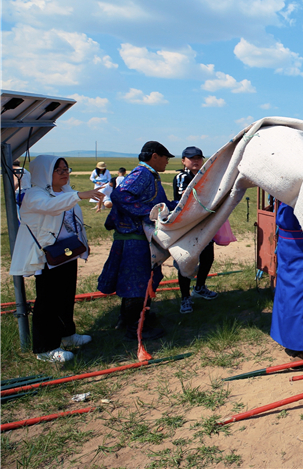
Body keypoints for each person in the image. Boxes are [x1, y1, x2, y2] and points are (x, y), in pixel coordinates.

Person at [9, 155, 104, 362]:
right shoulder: (33, 194)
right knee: (48, 301)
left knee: (66, 296)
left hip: (67, 253)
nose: (64, 173)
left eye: (66, 169)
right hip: (47, 256)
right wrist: (80, 194)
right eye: (58, 169)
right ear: (44, 172)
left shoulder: (66, 191)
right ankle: (45, 348)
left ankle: (67, 335)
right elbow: (50, 206)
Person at [98, 142, 177, 340]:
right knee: (138, 282)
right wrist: (146, 213)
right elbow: (119, 195)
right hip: (134, 238)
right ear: (155, 156)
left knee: (141, 279)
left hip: (139, 237)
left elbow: (161, 205)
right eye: (166, 157)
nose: (167, 161)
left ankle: (130, 318)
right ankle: (135, 328)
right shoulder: (142, 174)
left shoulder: (149, 175)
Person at [270, 201, 303, 358]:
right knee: (294, 294)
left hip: (298, 241)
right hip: (293, 241)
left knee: (299, 294)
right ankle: (299, 343)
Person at [172, 146, 218, 314]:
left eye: (199, 157)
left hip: (204, 225)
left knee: (207, 257)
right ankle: (185, 297)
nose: (196, 161)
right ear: (183, 160)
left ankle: (199, 287)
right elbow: (188, 198)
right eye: (192, 158)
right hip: (188, 227)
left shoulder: (203, 176)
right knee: (186, 262)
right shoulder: (182, 177)